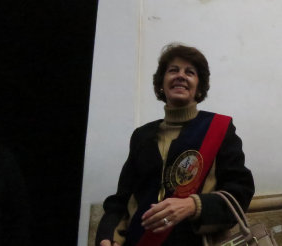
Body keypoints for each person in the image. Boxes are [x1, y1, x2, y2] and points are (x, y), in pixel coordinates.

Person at [96, 44, 255, 246]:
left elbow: (241, 191)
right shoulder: (141, 136)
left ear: (198, 87)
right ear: (161, 84)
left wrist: (193, 205)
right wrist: (106, 238)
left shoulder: (220, 129)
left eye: (190, 72)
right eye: (173, 70)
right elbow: (121, 201)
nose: (181, 75)